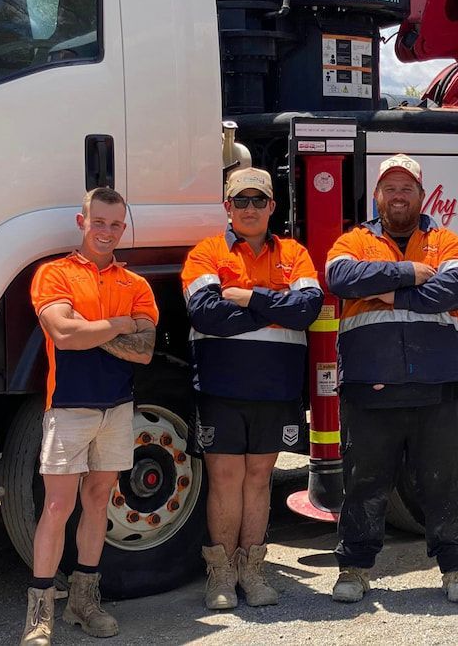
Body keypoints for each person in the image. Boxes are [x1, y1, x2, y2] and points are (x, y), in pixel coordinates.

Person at [326, 154, 458, 604]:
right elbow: (340, 277)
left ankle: (456, 569)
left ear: (421, 195)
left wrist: (384, 292)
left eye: (406, 188)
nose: (398, 195)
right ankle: (353, 568)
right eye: (390, 188)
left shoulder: (447, 241)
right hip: (371, 384)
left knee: (446, 481)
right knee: (364, 482)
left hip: (438, 383)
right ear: (376, 196)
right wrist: (409, 274)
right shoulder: (352, 241)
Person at [181, 167, 323, 610]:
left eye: (257, 200)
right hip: (222, 385)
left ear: (272, 207)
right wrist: (273, 305)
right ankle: (221, 575)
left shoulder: (295, 254)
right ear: (227, 207)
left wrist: (245, 297)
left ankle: (253, 572)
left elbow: (308, 309)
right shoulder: (205, 253)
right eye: (240, 200)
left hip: (275, 388)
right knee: (225, 479)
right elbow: (205, 313)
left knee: (260, 479)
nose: (249, 208)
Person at [23, 187, 159, 645]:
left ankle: (84, 602)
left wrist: (90, 330)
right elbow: (61, 333)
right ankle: (39, 614)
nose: (106, 231)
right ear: (83, 224)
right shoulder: (54, 273)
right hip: (68, 407)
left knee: (99, 502)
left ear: (123, 228)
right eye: (97, 222)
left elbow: (144, 352)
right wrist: (120, 324)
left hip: (117, 408)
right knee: (58, 507)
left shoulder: (135, 283)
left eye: (114, 224)